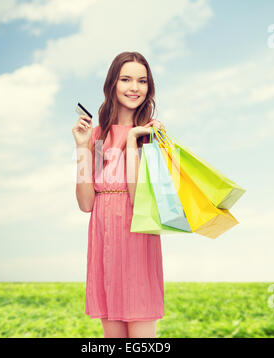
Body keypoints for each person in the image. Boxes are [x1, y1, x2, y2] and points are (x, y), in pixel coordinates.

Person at [72, 51, 166, 338]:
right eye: (126, 79)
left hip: (136, 237)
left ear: (149, 88)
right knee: (111, 334)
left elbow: (141, 201)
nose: (134, 87)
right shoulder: (98, 137)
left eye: (142, 81)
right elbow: (87, 203)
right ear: (112, 83)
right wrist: (82, 147)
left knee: (140, 332)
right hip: (104, 240)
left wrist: (135, 140)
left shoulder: (152, 134)